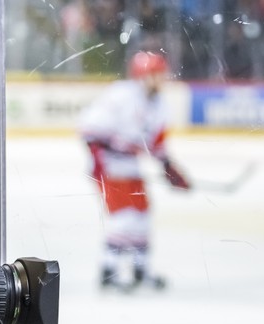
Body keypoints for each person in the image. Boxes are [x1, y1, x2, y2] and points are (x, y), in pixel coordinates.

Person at [77, 50, 190, 291]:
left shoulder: (159, 104)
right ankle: (109, 271)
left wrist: (170, 169)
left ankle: (141, 270)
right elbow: (89, 129)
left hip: (131, 166)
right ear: (144, 75)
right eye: (157, 74)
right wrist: (100, 159)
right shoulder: (121, 95)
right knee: (122, 220)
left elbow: (157, 143)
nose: (162, 79)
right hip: (110, 165)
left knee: (141, 218)